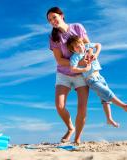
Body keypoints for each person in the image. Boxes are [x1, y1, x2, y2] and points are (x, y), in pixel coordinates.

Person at [66, 36, 127, 128]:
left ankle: (109, 119)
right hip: (91, 80)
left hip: (99, 77)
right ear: (73, 50)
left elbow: (98, 45)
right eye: (77, 47)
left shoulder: (87, 46)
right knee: (107, 93)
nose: (81, 47)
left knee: (105, 100)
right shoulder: (75, 57)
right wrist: (85, 69)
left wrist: (96, 54)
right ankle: (124, 106)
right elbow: (72, 69)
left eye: (81, 44)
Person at [46, 6, 91, 144]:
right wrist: (75, 63)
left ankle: (77, 138)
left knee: (82, 107)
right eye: (49, 20)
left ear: (61, 15)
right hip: (63, 74)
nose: (53, 21)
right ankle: (70, 127)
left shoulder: (77, 27)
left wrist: (89, 57)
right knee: (59, 105)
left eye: (54, 17)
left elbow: (88, 45)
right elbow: (59, 60)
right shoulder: (54, 37)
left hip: (81, 74)